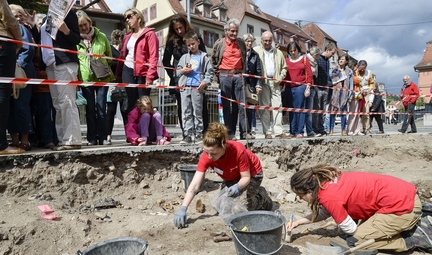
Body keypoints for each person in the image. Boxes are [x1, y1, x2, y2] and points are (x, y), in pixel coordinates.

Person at [288, 164, 432, 253]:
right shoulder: (325, 182)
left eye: (301, 196)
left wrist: (359, 233)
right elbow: (325, 212)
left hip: (402, 207)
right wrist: (298, 222)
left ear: (309, 191)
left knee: (356, 242)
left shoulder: (328, 196)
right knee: (361, 232)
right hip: (402, 195)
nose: (300, 199)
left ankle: (413, 238)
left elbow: (351, 229)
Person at [173, 122, 273, 229]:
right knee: (222, 207)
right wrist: (183, 208)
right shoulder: (207, 156)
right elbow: (195, 185)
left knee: (240, 209)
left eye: (213, 153)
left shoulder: (238, 150)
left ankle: (262, 197)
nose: (209, 157)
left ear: (223, 146)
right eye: (207, 152)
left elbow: (246, 177)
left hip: (252, 175)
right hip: (231, 176)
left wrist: (237, 187)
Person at [41, 0, 82, 151]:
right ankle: (63, 139)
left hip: (65, 62)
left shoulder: (68, 12)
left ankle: (72, 140)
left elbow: (76, 39)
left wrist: (66, 31)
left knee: (67, 101)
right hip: (51, 63)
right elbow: (45, 41)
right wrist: (33, 25)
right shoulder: (46, 17)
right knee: (58, 105)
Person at [162, 14, 208, 136]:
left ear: (185, 25)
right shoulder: (171, 41)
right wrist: (176, 74)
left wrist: (205, 78)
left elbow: (204, 55)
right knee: (184, 108)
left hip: (197, 79)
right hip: (181, 79)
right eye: (176, 29)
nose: (179, 31)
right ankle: (186, 134)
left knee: (200, 107)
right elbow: (166, 61)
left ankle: (203, 134)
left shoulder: (196, 36)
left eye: (181, 27)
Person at [76, 10, 114, 146]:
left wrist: (100, 67)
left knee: (101, 108)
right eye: (80, 26)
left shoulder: (101, 36)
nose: (84, 28)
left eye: (85, 24)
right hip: (86, 79)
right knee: (90, 110)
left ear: (90, 23)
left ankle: (103, 137)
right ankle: (91, 138)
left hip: (102, 78)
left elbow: (109, 56)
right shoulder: (76, 40)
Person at [116, 8, 159, 123]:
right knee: (131, 103)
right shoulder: (127, 36)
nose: (127, 20)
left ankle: (146, 132)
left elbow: (153, 57)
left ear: (138, 16)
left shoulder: (149, 34)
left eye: (129, 16)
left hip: (143, 73)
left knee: (144, 103)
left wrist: (150, 76)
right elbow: (122, 55)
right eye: (125, 18)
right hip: (127, 71)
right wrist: (118, 74)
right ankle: (132, 132)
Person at [211, 18, 248, 141]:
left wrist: (243, 72)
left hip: (238, 75)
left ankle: (244, 132)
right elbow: (214, 59)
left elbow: (244, 57)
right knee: (227, 106)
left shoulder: (241, 43)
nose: (234, 34)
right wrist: (218, 74)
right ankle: (230, 133)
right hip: (224, 76)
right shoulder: (219, 43)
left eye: (236, 31)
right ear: (226, 30)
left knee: (241, 105)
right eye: (232, 31)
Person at [8, 4, 37, 152]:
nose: (18, 17)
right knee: (10, 108)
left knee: (21, 106)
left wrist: (17, 65)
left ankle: (25, 140)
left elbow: (28, 48)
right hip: (8, 74)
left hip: (21, 73)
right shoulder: (7, 30)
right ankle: (14, 141)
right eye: (15, 14)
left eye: (20, 14)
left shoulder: (21, 29)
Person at [176, 31, 213, 144]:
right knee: (186, 111)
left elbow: (210, 73)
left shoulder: (204, 58)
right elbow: (177, 71)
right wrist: (182, 71)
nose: (191, 46)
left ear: (198, 42)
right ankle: (187, 134)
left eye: (193, 43)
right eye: (188, 45)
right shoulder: (184, 57)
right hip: (185, 87)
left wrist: (205, 82)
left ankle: (198, 134)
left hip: (197, 88)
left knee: (197, 112)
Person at [0, 0, 25, 155]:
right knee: (2, 92)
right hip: (3, 42)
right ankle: (1, 145)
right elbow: (10, 20)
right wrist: (19, 42)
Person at [253, 31, 287, 139]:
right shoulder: (256, 51)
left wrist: (280, 77)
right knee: (265, 108)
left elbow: (284, 68)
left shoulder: (278, 52)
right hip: (263, 82)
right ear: (261, 40)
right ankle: (267, 132)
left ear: (272, 40)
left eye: (269, 40)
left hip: (275, 82)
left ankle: (278, 132)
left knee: (277, 106)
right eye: (265, 40)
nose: (267, 42)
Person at [284, 41, 313, 138]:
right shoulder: (286, 61)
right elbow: (284, 74)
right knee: (291, 109)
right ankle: (292, 131)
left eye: (294, 50)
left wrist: (308, 88)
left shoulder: (304, 59)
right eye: (290, 50)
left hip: (301, 87)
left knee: (300, 109)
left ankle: (300, 131)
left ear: (298, 50)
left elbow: (309, 74)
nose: (293, 52)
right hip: (289, 87)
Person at [106, 29, 127, 144]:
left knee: (125, 110)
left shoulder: (124, 52)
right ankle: (108, 136)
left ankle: (129, 134)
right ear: (120, 39)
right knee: (111, 110)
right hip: (112, 85)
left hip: (123, 84)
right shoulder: (110, 50)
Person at [312, 42, 337, 137]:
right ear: (327, 50)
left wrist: (329, 83)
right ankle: (315, 129)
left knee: (322, 110)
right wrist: (316, 85)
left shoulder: (327, 61)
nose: (333, 55)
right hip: (318, 88)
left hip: (325, 88)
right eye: (332, 53)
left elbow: (326, 75)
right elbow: (315, 74)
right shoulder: (318, 59)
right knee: (316, 109)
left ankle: (321, 128)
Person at [243, 33, 262, 139]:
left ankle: (250, 131)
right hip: (240, 83)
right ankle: (243, 131)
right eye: (247, 41)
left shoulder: (255, 55)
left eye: (251, 41)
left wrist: (258, 85)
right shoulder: (239, 52)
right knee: (242, 108)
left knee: (251, 109)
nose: (249, 43)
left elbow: (258, 72)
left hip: (251, 85)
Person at [328, 53, 352, 136]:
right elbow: (331, 81)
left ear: (346, 61)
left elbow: (351, 84)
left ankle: (343, 130)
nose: (341, 60)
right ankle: (331, 129)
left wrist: (350, 95)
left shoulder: (349, 71)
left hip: (344, 92)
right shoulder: (333, 70)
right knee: (333, 111)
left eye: (343, 59)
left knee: (343, 112)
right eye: (340, 59)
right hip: (335, 92)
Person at [304, 46, 321, 137]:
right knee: (303, 110)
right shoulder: (305, 60)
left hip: (312, 87)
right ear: (315, 55)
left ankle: (310, 131)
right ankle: (299, 131)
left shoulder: (315, 62)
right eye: (318, 56)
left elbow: (314, 76)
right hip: (305, 86)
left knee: (309, 111)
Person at [356, 60, 375, 134]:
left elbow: (371, 84)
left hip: (366, 93)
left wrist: (370, 98)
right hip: (358, 93)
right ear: (358, 66)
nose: (362, 70)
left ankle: (366, 128)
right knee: (357, 112)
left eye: (364, 68)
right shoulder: (355, 72)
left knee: (366, 112)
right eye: (361, 68)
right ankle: (357, 129)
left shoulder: (369, 73)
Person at [346, 59, 363, 136]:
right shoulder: (351, 74)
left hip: (358, 95)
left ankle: (357, 129)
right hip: (353, 95)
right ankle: (350, 129)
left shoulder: (356, 74)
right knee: (353, 113)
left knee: (358, 113)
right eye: (356, 66)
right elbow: (356, 81)